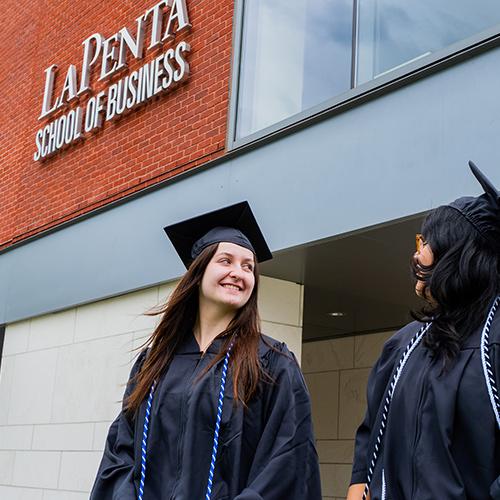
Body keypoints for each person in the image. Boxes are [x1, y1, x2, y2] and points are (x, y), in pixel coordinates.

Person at [90, 201, 322, 500]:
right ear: (198, 272)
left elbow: (289, 460)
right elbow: (120, 453)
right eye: (225, 261)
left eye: (248, 266)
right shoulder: (154, 364)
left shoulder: (272, 363)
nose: (239, 273)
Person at [347, 161, 500, 500]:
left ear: (455, 253)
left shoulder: (495, 341)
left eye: (424, 241)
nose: (416, 254)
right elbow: (370, 441)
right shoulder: (402, 345)